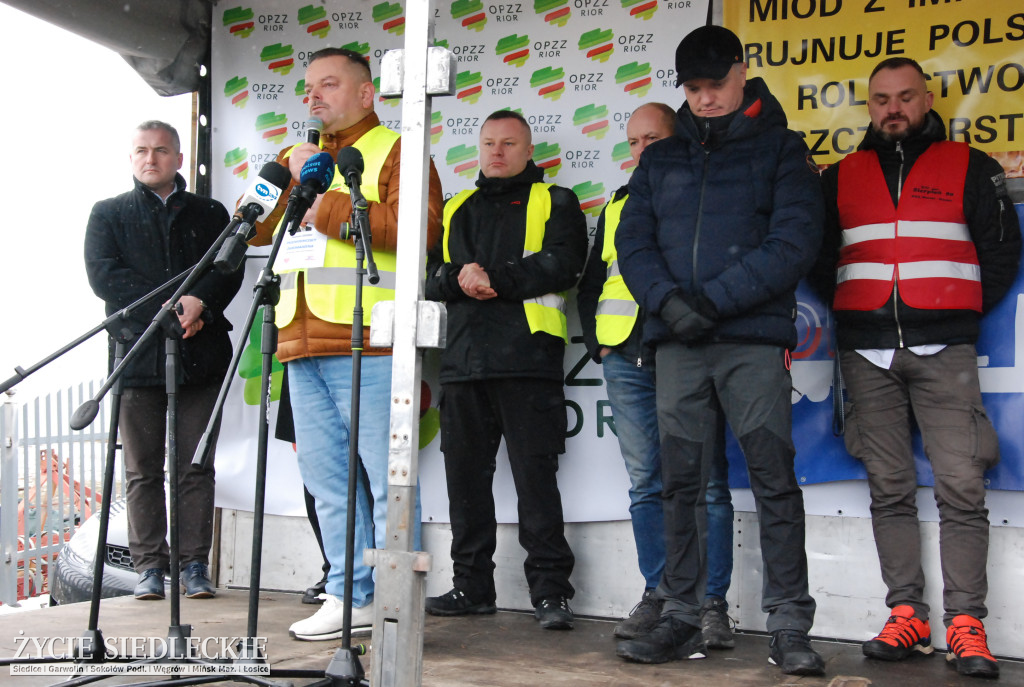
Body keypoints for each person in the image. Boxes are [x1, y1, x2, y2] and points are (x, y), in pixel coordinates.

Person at [612, 25, 825, 675]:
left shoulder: (783, 150)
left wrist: (713, 301)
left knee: (772, 478)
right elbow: (633, 243)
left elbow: (794, 242)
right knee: (679, 483)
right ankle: (681, 613)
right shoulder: (661, 159)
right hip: (678, 344)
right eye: (693, 89)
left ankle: (788, 621)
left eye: (715, 85)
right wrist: (673, 305)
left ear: (741, 72)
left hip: (750, 343)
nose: (705, 99)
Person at [812, 57, 1021, 680]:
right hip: (866, 350)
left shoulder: (970, 166)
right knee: (889, 490)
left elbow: (1002, 252)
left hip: (945, 350)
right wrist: (856, 309)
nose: (892, 108)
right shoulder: (841, 176)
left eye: (904, 97)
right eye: (881, 99)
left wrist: (954, 311)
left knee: (962, 486)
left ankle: (967, 623)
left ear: (927, 100)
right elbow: (823, 260)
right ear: (869, 104)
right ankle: (908, 615)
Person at [249, 47, 443, 640]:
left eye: (328, 85)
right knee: (328, 482)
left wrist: (328, 199)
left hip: (372, 341)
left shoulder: (396, 149)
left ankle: (390, 602)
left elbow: (419, 233)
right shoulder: (295, 157)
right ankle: (346, 594)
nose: (313, 96)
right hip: (299, 341)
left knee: (387, 481)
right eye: (308, 87)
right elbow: (253, 226)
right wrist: (282, 182)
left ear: (366, 94)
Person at [576, 102, 735, 648]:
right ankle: (660, 594)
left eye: (653, 139)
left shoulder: (704, 195)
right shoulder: (620, 202)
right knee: (647, 483)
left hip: (683, 353)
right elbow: (595, 276)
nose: (642, 150)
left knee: (707, 484)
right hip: (624, 355)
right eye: (634, 141)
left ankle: (710, 603)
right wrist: (597, 341)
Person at [423, 110, 588, 630]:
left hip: (527, 363)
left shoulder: (556, 200)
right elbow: (426, 274)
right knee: (465, 486)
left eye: (509, 144)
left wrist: (492, 277)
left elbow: (564, 262)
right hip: (463, 364)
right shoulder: (454, 207)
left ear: (528, 149)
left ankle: (551, 594)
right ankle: (471, 588)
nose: (497, 152)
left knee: (536, 483)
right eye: (489, 143)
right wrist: (457, 277)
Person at [84, 120, 243, 601]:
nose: (149, 159)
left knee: (195, 466)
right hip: (137, 355)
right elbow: (104, 276)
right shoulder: (108, 213)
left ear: (178, 158)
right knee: (142, 469)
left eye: (160, 151)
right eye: (140, 151)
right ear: (130, 158)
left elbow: (227, 268)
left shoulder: (210, 211)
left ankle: (194, 565)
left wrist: (201, 304)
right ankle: (150, 567)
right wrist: (170, 306)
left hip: (201, 353)